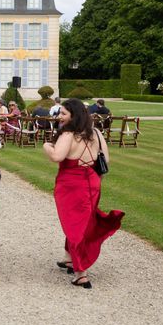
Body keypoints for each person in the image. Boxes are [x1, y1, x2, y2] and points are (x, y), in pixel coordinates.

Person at [43, 98, 124, 289]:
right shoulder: (95, 132)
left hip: (72, 185)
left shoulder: (69, 134)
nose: (59, 117)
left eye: (63, 113)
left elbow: (57, 156)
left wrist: (47, 146)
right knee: (81, 220)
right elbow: (106, 159)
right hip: (92, 182)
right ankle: (69, 258)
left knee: (75, 225)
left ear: (74, 115)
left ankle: (81, 273)